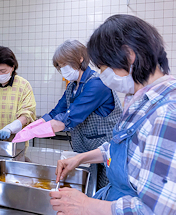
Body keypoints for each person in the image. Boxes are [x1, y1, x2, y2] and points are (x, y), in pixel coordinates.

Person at [50, 14, 176, 214]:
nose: (102, 75)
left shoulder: (167, 115)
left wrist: (85, 205)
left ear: (129, 55)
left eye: (103, 67)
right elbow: (120, 149)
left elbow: (157, 210)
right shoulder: (139, 100)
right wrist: (80, 159)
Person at [15, 40, 122, 189]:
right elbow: (56, 112)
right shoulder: (72, 86)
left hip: (105, 155)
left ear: (80, 59)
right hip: (84, 152)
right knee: (88, 189)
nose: (62, 69)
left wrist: (36, 132)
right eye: (59, 66)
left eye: (65, 64)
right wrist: (30, 126)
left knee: (102, 193)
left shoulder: (97, 84)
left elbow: (69, 118)